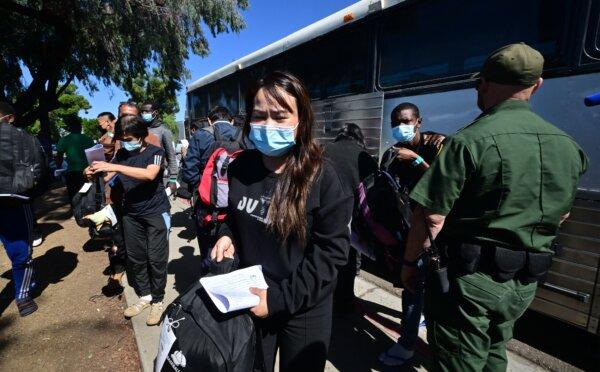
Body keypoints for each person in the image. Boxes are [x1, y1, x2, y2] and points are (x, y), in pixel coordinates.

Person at [401, 43, 588, 372]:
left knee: (460, 360)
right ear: (538, 84)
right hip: (525, 282)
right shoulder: (569, 147)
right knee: (494, 351)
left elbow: (430, 216)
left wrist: (408, 265)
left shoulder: (467, 142)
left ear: (483, 85)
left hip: (470, 282)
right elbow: (563, 214)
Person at [211, 71, 352, 372]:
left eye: (280, 116)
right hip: (249, 297)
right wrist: (226, 236)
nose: (268, 125)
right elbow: (232, 218)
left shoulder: (324, 176)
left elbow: (331, 254)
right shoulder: (240, 166)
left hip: (303, 308)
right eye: (259, 116)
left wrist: (276, 300)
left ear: (301, 120)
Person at [86, 115, 171, 326]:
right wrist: (91, 173)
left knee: (156, 258)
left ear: (142, 135)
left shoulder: (155, 153)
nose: (126, 141)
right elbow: (107, 177)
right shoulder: (121, 154)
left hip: (155, 212)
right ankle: (145, 296)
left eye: (129, 137)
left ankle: (158, 300)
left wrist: (114, 167)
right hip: (130, 214)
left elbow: (150, 175)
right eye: (122, 137)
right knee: (136, 257)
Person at [378, 103, 446, 366]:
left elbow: (445, 185)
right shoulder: (393, 152)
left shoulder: (437, 144)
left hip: (432, 232)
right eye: (395, 122)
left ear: (419, 121)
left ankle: (407, 344)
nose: (400, 127)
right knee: (413, 286)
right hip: (407, 232)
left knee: (414, 287)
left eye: (405, 121)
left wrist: (417, 161)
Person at [0, 101, 48, 316]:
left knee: (19, 252)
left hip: (15, 203)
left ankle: (23, 293)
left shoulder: (25, 139)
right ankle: (23, 295)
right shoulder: (28, 139)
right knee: (20, 252)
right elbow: (40, 172)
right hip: (16, 203)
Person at [324, 123, 377, 314]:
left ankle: (324, 300)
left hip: (326, 215)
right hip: (352, 222)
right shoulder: (365, 157)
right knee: (347, 261)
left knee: (323, 258)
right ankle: (344, 303)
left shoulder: (325, 150)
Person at [181, 106, 236, 264]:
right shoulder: (241, 134)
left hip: (206, 204)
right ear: (231, 120)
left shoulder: (200, 135)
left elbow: (188, 171)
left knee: (207, 246)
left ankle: (208, 278)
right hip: (236, 202)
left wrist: (203, 188)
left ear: (210, 121)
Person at [140, 102, 178, 195]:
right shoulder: (140, 129)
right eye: (142, 112)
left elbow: (171, 156)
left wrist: (173, 179)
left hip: (157, 174)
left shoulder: (163, 130)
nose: (144, 114)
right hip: (140, 173)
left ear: (155, 112)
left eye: (146, 111)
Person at [56, 115, 95, 201]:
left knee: (73, 195)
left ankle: (76, 211)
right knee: (86, 194)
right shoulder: (88, 139)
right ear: (80, 127)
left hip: (72, 173)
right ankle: (87, 211)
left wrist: (58, 167)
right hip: (87, 172)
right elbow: (93, 157)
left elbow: (59, 156)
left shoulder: (64, 140)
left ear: (70, 128)